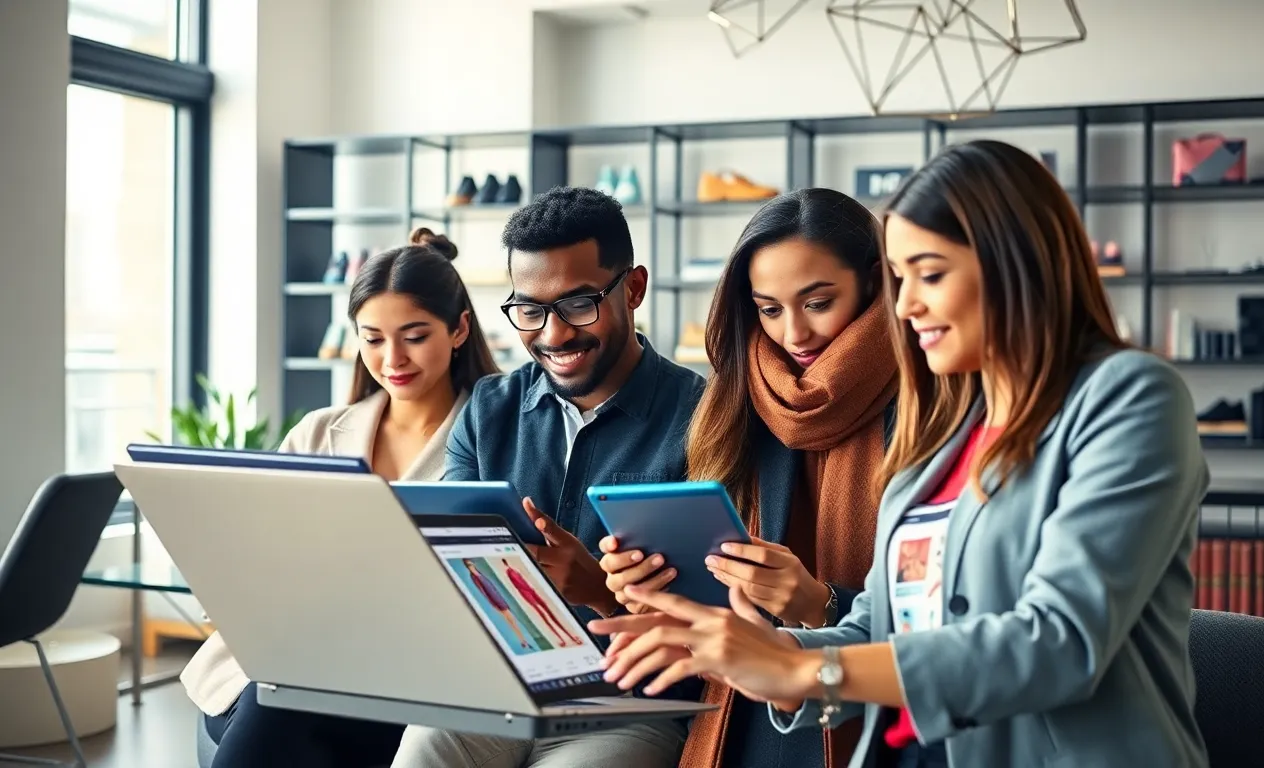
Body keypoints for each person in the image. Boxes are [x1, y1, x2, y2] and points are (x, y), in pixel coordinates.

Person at [590, 139, 1211, 768]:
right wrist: (754, 651)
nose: (906, 305)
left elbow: (1059, 645)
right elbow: (883, 630)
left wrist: (804, 667)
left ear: (1016, 265)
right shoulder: (944, 426)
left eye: (930, 274)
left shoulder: (1129, 397)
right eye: (900, 277)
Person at [390, 186, 705, 768]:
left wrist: (599, 590)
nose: (554, 335)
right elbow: (447, 564)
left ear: (632, 289)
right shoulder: (488, 411)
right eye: (530, 310)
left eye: (579, 304)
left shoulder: (702, 419)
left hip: (632, 706)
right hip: (496, 692)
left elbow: (727, 621)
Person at [595, 188, 901, 768]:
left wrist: (821, 603)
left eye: (817, 302)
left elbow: (949, 623)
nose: (794, 334)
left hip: (871, 712)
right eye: (769, 308)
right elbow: (716, 609)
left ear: (873, 282)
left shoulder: (928, 406)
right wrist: (657, 586)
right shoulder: (734, 398)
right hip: (744, 714)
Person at [190, 228, 500, 768]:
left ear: (459, 330)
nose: (392, 358)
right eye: (372, 338)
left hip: (414, 679)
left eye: (414, 335)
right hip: (281, 661)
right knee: (289, 688)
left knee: (290, 698)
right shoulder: (318, 432)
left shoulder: (497, 439)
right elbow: (259, 557)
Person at [505, 557, 583, 646]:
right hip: (526, 592)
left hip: (530, 591)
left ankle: (569, 637)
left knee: (548, 612)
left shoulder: (513, 569)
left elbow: (521, 581)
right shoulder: (509, 572)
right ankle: (562, 638)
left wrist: (530, 588)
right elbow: (518, 585)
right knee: (543, 614)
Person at [466, 559, 537, 649]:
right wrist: (493, 604)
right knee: (509, 620)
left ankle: (523, 640)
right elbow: (483, 592)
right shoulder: (474, 577)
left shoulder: (480, 574)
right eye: (469, 565)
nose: (471, 566)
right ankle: (523, 640)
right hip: (495, 600)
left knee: (511, 620)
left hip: (498, 597)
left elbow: (491, 587)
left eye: (471, 564)